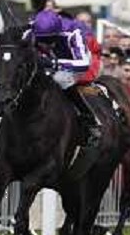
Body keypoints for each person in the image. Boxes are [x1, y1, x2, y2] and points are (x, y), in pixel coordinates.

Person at [32, 9, 100, 146]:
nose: (46, 44)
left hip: (74, 60)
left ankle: (90, 119)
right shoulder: (31, 29)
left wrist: (55, 63)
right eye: (42, 40)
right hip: (50, 58)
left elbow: (83, 64)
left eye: (50, 40)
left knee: (60, 79)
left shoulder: (74, 32)